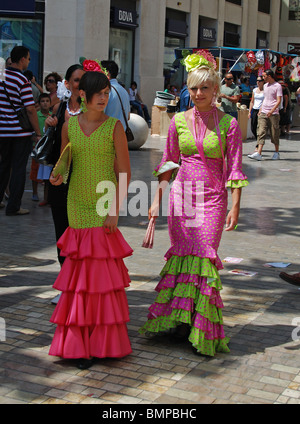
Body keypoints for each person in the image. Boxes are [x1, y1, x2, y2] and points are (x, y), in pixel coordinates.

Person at [139, 51, 248, 357]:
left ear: (216, 90)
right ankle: (180, 322)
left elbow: (235, 168)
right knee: (183, 258)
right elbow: (167, 163)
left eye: (205, 88)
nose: (198, 94)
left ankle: (201, 329)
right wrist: (156, 201)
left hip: (213, 199)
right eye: (193, 88)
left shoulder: (229, 124)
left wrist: (235, 206)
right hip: (181, 198)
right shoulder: (177, 122)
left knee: (204, 258)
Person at [48, 69, 132, 370]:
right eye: (99, 93)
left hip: (102, 207)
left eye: (107, 93)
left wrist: (114, 210)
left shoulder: (115, 127)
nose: (103, 98)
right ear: (82, 94)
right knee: (79, 278)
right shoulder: (70, 125)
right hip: (76, 204)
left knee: (99, 279)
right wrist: (58, 176)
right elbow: (65, 162)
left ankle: (100, 343)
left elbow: (125, 173)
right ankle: (78, 344)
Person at [46, 64, 85, 266]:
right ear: (68, 84)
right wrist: (50, 125)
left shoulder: (93, 110)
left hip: (85, 179)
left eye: (84, 80)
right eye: (77, 80)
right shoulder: (59, 108)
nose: (81, 84)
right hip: (61, 178)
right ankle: (65, 281)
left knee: (81, 233)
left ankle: (79, 282)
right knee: (61, 230)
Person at [0, 45, 41, 216]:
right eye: (29, 58)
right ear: (22, 59)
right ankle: (14, 206)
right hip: (19, 133)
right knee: (18, 169)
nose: (29, 62)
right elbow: (30, 110)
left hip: (2, 132)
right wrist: (38, 133)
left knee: (3, 167)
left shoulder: (1, 77)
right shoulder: (22, 81)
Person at [248, 70, 283, 161]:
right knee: (261, 131)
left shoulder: (277, 86)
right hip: (264, 111)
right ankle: (259, 153)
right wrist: (261, 109)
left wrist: (272, 110)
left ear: (269, 76)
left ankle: (276, 152)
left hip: (273, 113)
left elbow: (278, 100)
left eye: (264, 76)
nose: (263, 78)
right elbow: (265, 99)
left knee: (274, 132)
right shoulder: (265, 86)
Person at [100, 60, 130, 131]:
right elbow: (128, 117)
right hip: (121, 133)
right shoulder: (124, 91)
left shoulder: (105, 90)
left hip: (107, 134)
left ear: (107, 73)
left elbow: (99, 115)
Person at [36, 93, 52, 206]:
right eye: (43, 101)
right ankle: (39, 195)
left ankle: (49, 198)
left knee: (50, 176)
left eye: (47, 101)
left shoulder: (53, 116)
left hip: (50, 149)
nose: (45, 103)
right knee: (40, 174)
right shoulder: (36, 116)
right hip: (41, 149)